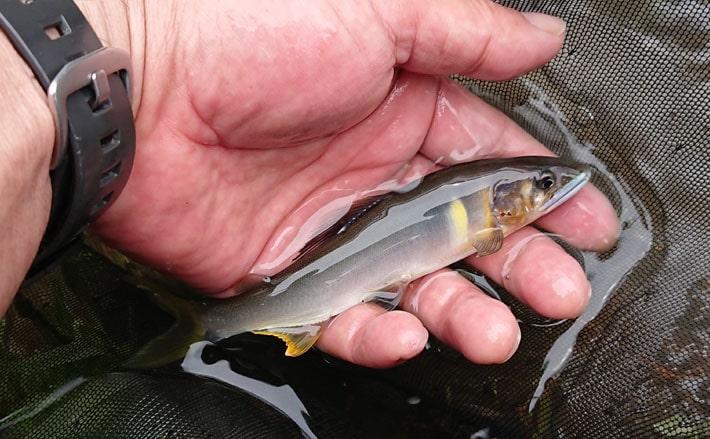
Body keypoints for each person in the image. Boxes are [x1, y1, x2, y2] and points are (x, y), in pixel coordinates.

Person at [0, 0, 618, 369]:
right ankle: (205, 322)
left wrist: (146, 51)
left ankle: (205, 321)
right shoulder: (487, 225)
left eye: (541, 186)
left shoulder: (482, 210)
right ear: (503, 208)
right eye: (540, 185)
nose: (547, 191)